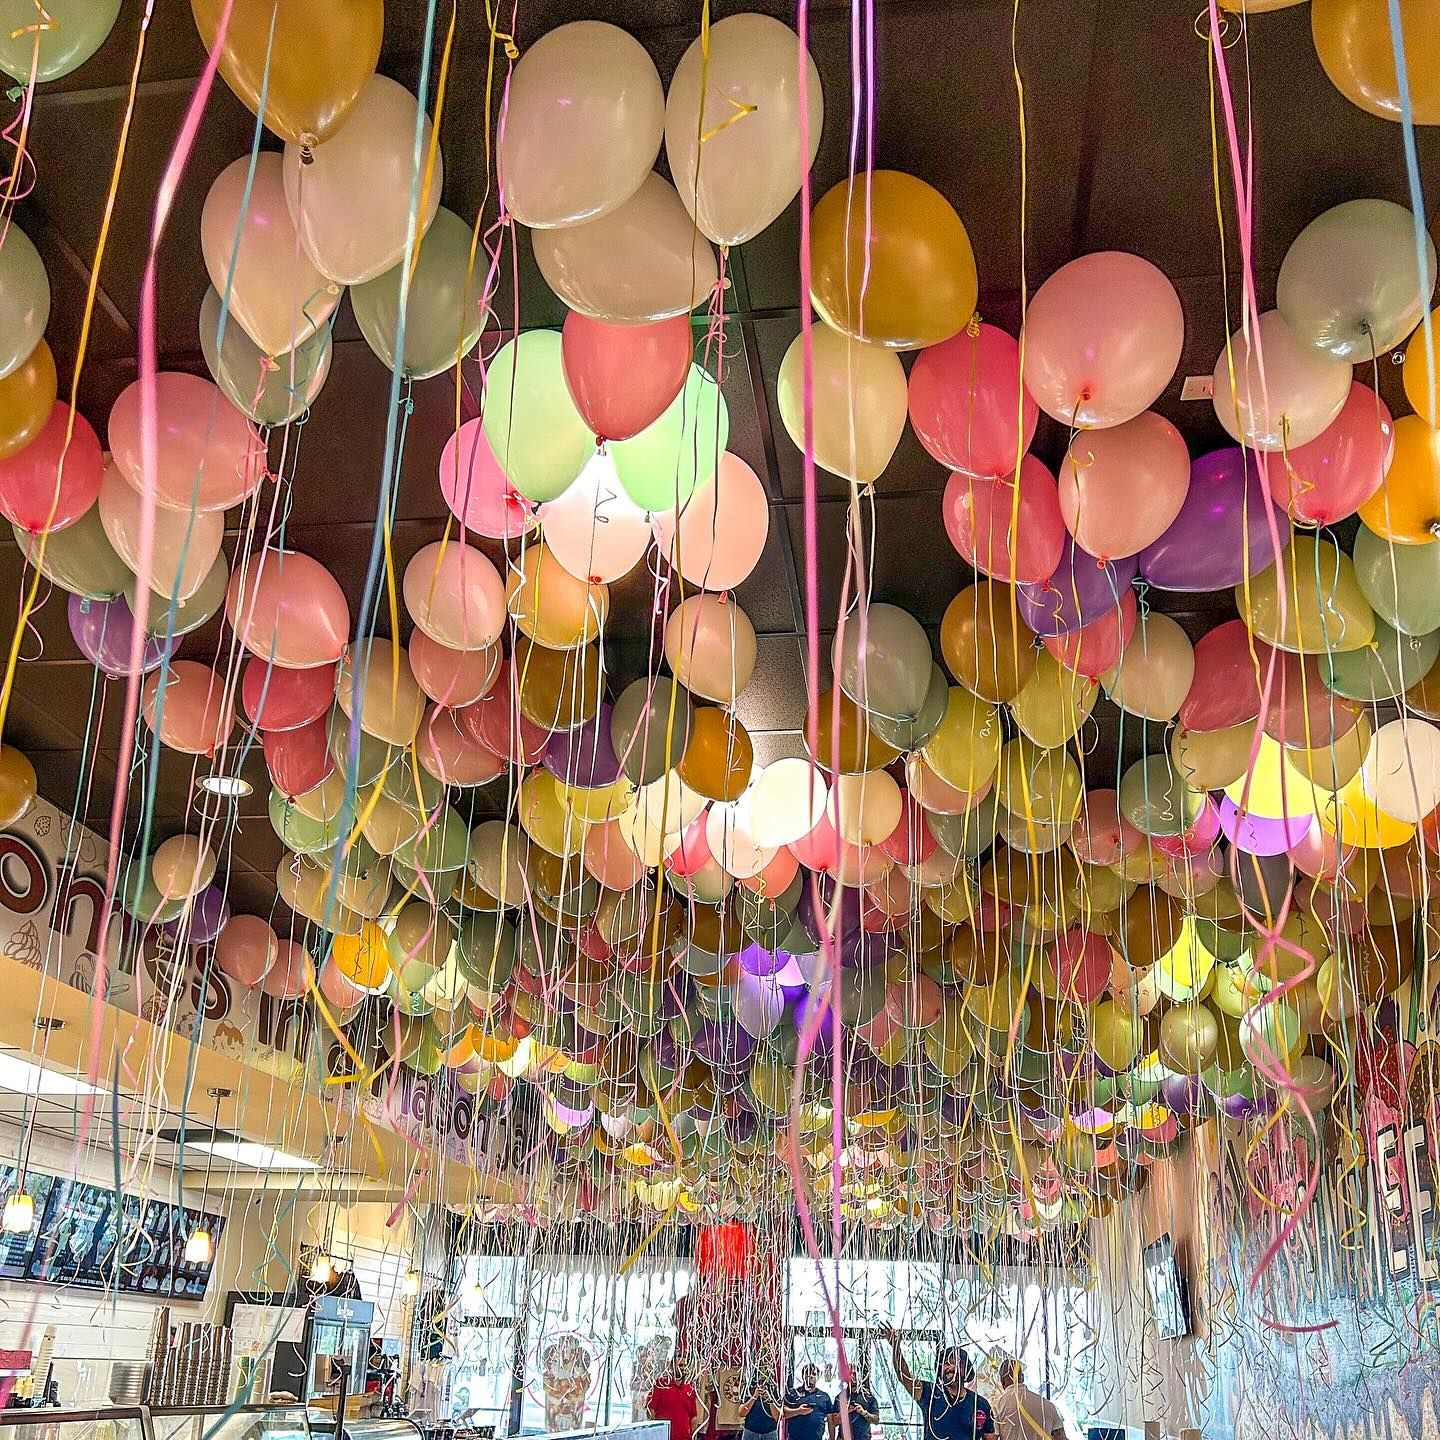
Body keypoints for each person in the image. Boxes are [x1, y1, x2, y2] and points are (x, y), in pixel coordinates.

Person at [880, 1326, 996, 1439]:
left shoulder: (981, 1404)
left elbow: (990, 1436)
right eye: (945, 1363)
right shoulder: (930, 1393)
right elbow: (905, 1377)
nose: (949, 1367)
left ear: (965, 1369)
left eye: (954, 1362)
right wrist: (896, 1348)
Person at [989, 1357, 1066, 1440]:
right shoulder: (1047, 1405)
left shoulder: (996, 1406)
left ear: (1002, 1381)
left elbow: (992, 1438)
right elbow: (1060, 1437)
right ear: (1022, 1377)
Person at [741, 1375, 808, 1440]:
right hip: (750, 1432)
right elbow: (741, 1413)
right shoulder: (749, 1388)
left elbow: (778, 1417)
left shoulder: (775, 1390)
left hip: (770, 1433)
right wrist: (754, 1397)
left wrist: (770, 1401)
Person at [827, 1362, 879, 1440]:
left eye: (855, 1374)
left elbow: (876, 1420)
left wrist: (864, 1413)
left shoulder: (868, 1397)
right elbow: (833, 1422)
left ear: (860, 1376)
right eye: (850, 1374)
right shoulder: (840, 1397)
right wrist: (844, 1412)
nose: (852, 1377)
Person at [650, 1366, 704, 1440]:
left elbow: (693, 1416)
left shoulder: (689, 1388)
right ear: (672, 1365)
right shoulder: (661, 1384)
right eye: (680, 1365)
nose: (683, 1368)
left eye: (685, 1365)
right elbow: (651, 1410)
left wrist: (691, 1436)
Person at [784, 1365, 833, 1440]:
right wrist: (798, 1411)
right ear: (802, 1375)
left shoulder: (825, 1396)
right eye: (807, 1373)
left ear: (818, 1377)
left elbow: (830, 1420)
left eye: (814, 1374)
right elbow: (783, 1413)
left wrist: (832, 1437)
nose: (810, 1376)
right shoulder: (792, 1393)